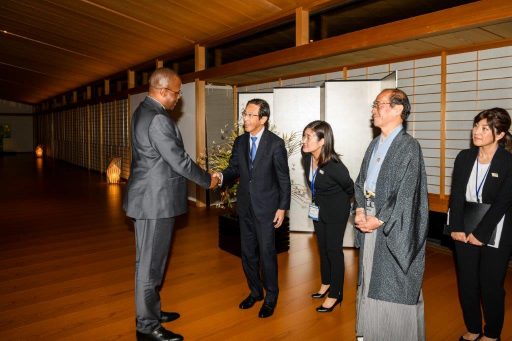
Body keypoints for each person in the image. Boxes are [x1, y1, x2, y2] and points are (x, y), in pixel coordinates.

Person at [123, 68, 219, 341]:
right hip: (154, 202)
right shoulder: (157, 120)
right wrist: (207, 180)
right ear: (163, 91)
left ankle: (151, 310)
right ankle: (147, 326)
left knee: (152, 262)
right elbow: (179, 160)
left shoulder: (144, 111)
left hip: (150, 198)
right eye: (177, 93)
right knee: (149, 266)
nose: (179, 99)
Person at [353, 88, 429, 341]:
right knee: (369, 279)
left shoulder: (409, 146)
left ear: (398, 109)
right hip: (370, 219)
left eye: (379, 104)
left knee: (392, 283)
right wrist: (361, 209)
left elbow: (407, 191)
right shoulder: (375, 144)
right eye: (374, 104)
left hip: (392, 225)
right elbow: (361, 181)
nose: (374, 109)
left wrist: (379, 218)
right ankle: (370, 332)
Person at [213, 98, 291, 318]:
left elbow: (283, 179)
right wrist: (220, 176)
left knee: (267, 253)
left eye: (250, 115)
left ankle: (271, 296)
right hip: (245, 206)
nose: (245, 119)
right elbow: (233, 169)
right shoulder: (240, 142)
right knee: (247, 253)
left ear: (263, 118)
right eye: (244, 114)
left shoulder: (275, 144)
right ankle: (255, 292)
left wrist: (282, 208)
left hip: (267, 208)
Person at [447, 108, 512, 341]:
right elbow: (455, 195)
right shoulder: (464, 157)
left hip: (497, 227)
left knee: (491, 284)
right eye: (476, 126)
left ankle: (492, 334)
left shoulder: (507, 162)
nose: (477, 131)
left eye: (485, 128)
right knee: (467, 281)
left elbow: (504, 202)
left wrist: (481, 233)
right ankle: (473, 328)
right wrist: (455, 227)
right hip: (464, 224)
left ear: (500, 134)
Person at [301, 120, 354, 312]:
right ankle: (326, 283)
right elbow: (313, 184)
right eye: (304, 135)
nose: (304, 141)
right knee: (322, 248)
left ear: (323, 141)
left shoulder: (335, 166)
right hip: (318, 209)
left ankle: (336, 294)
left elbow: (350, 188)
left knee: (333, 250)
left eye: (309, 137)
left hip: (336, 212)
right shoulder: (307, 158)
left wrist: (341, 205)